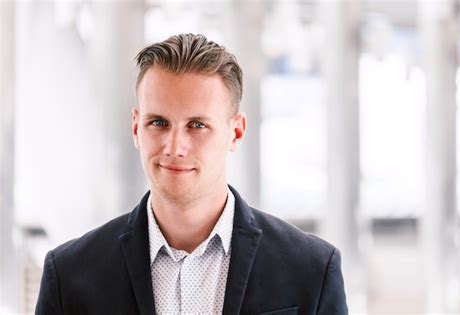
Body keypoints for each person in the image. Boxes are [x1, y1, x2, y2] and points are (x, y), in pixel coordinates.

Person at [36, 34, 348, 315]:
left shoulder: (311, 270)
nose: (175, 147)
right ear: (136, 128)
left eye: (197, 125)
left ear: (235, 133)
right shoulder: (69, 276)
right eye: (158, 123)